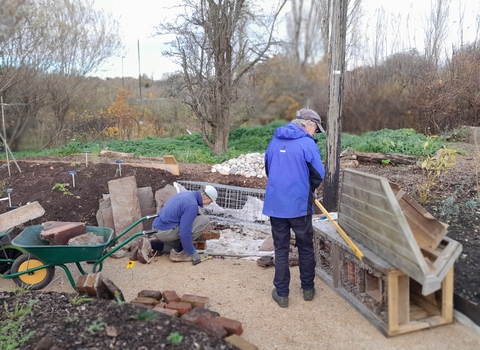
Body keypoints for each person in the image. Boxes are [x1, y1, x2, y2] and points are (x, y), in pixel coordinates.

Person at [262, 108, 326, 308]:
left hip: (276, 204)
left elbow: (268, 169)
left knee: (280, 249)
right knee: (305, 247)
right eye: (316, 128)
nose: (315, 133)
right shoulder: (307, 144)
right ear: (308, 123)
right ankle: (308, 290)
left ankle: (282, 294)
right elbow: (318, 174)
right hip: (299, 206)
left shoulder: (274, 141)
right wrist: (305, 189)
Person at [151, 185, 218, 265]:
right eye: (209, 202)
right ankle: (178, 253)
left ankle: (151, 245)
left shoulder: (187, 195)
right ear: (205, 198)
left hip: (157, 229)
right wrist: (192, 252)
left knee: (177, 244)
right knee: (203, 220)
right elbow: (184, 233)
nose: (208, 204)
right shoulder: (192, 205)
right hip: (165, 232)